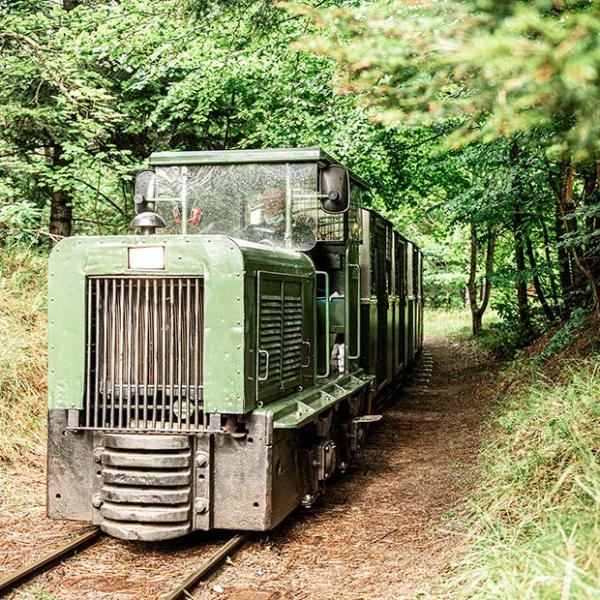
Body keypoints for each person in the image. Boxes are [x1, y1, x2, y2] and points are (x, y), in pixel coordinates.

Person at [244, 186, 316, 249]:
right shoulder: (254, 231)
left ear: (285, 206)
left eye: (275, 202)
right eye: (266, 201)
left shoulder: (301, 232)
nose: (270, 205)